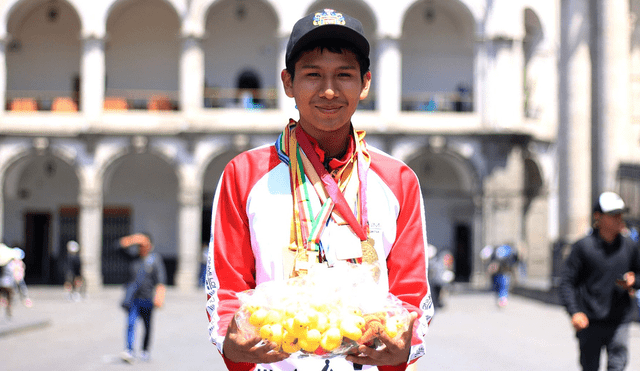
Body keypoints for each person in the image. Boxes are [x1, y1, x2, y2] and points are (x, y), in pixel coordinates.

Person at [205, 8, 433, 371]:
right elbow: (228, 288)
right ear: (288, 82)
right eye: (313, 75)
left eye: (344, 75)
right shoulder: (244, 174)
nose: (329, 91)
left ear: (365, 83)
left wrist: (402, 350)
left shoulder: (397, 179)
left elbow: (411, 293)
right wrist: (232, 347)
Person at [559, 191, 640, 371]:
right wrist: (574, 312)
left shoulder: (630, 246)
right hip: (589, 320)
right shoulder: (583, 247)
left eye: (620, 214)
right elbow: (567, 282)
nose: (619, 219)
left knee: (617, 366)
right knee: (590, 367)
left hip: (620, 319)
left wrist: (634, 282)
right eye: (613, 215)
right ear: (598, 217)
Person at [118, 233, 166, 363]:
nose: (142, 247)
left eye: (144, 244)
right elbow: (118, 248)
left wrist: (159, 297)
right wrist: (133, 239)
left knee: (147, 326)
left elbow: (161, 280)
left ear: (150, 245)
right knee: (130, 324)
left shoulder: (155, 260)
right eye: (139, 245)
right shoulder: (133, 259)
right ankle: (129, 350)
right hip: (133, 299)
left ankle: (145, 350)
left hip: (147, 299)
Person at [0, 244, 32, 318]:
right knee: (11, 296)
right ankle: (9, 310)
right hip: (9, 283)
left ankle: (6, 306)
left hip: (2, 283)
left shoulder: (4, 264)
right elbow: (14, 274)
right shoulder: (11, 264)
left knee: (5, 295)